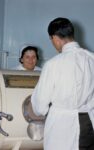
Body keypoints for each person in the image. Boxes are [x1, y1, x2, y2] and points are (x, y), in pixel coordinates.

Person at [31, 17, 94, 150]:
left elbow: (40, 105)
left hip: (62, 126)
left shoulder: (53, 64)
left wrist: (38, 109)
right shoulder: (91, 59)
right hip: (88, 123)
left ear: (54, 38)